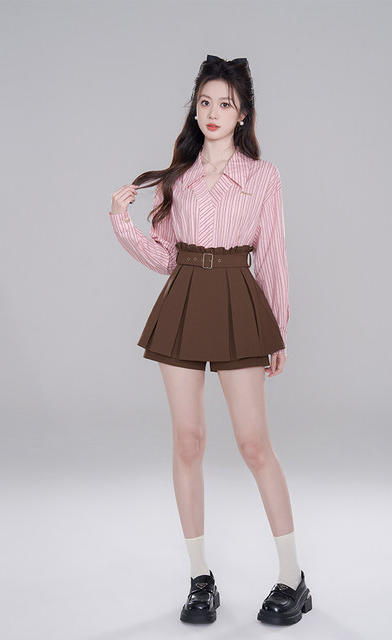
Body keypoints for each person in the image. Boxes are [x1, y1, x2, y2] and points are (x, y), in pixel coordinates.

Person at [108, 54, 312, 626]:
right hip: (184, 299)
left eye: (225, 103)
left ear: (243, 113)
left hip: (238, 301)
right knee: (188, 442)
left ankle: (292, 577)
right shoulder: (177, 179)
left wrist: (278, 328)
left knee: (254, 444)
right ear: (194, 109)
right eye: (205, 101)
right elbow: (164, 257)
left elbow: (273, 253)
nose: (213, 112)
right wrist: (123, 223)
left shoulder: (263, 176)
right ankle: (200, 579)